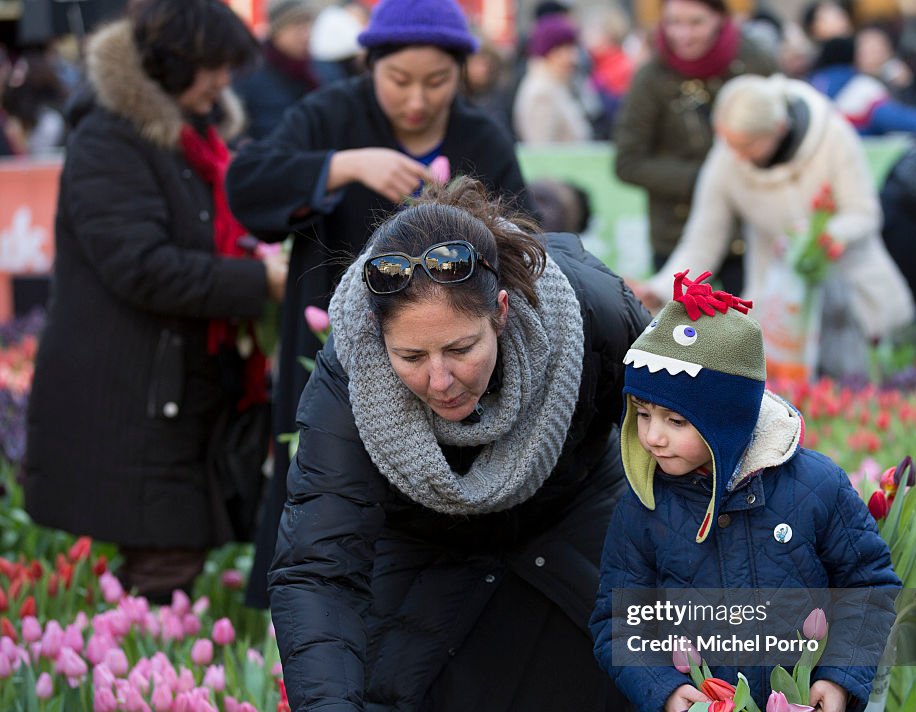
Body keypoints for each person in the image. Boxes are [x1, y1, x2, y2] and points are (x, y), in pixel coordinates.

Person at [268, 178, 648, 712]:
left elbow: (677, 429)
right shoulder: (349, 376)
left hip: (565, 544)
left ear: (501, 310)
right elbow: (318, 563)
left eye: (460, 348)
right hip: (426, 558)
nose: (440, 379)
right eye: (411, 357)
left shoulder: (592, 313)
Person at [226, 0, 536, 610]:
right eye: (398, 81)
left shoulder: (481, 136)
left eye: (437, 82)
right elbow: (249, 185)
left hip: (440, 356)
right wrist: (342, 166)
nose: (416, 99)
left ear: (463, 73)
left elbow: (526, 239)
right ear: (369, 68)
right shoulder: (328, 116)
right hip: (328, 342)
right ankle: (305, 610)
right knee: (321, 479)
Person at [588, 272, 899, 712]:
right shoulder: (644, 505)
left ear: (728, 419)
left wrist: (840, 678)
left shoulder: (816, 487)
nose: (653, 437)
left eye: (677, 421)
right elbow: (616, 620)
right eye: (643, 415)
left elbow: (870, 586)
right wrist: (665, 694)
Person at [23, 0, 287, 602]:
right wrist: (258, 282)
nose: (224, 81)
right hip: (133, 395)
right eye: (213, 66)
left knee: (171, 560)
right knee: (162, 568)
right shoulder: (109, 141)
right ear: (170, 63)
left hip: (176, 390)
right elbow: (142, 268)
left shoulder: (194, 137)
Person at [645, 74, 915, 378]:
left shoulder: (832, 136)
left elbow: (864, 211)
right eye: (727, 143)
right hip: (777, 311)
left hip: (853, 300)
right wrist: (662, 288)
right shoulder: (728, 155)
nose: (734, 155)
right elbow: (704, 238)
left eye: (746, 145)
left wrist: (822, 237)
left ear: (778, 129)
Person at [613, 0, 774, 279]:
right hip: (678, 235)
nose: (683, 34)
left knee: (753, 320)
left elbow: (782, 130)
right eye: (673, 22)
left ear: (720, 18)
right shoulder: (651, 78)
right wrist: (707, 180)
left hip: (752, 230)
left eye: (696, 22)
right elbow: (628, 163)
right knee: (684, 323)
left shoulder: (754, 63)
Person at [232, 0, 332, 142]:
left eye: (309, 25)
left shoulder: (323, 71)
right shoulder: (249, 74)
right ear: (277, 30)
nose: (306, 34)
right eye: (297, 26)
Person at [513, 14, 592, 143]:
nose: (573, 57)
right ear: (548, 52)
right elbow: (541, 151)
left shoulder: (556, 85)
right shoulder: (542, 93)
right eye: (565, 49)